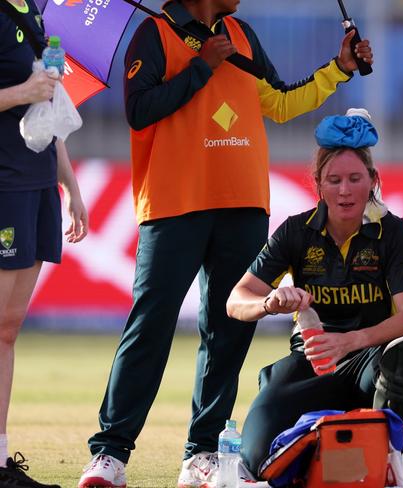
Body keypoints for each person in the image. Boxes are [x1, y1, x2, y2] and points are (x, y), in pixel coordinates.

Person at [77, 0, 374, 486]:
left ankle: (204, 452)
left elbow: (278, 101)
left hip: (242, 204)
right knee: (149, 326)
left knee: (227, 330)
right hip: (174, 204)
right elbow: (139, 111)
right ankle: (110, 454)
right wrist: (202, 67)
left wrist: (338, 69)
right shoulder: (155, 34)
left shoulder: (240, 32)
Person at [225, 109, 403, 477]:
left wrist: (350, 341)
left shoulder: (394, 233)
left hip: (371, 361)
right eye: (334, 180)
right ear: (318, 183)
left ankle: (393, 461)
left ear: (373, 180)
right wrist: (270, 302)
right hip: (312, 362)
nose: (345, 190)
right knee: (254, 458)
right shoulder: (294, 232)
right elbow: (236, 300)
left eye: (355, 178)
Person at [0, 0, 89, 486]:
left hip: (37, 185)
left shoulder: (33, 11)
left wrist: (71, 188)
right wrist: (20, 91)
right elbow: (27, 94)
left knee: (8, 329)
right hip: (4, 183)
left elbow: (47, 111)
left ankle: (0, 459)